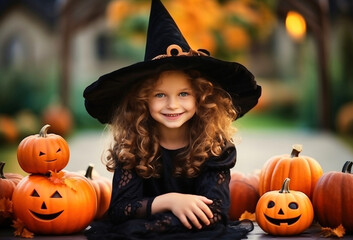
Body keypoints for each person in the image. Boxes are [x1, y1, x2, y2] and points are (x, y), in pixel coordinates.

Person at [83, 0, 261, 239]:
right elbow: (121, 209)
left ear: (202, 98)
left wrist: (153, 220)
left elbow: (215, 213)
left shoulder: (215, 148)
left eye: (184, 94)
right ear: (142, 101)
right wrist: (170, 201)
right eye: (160, 95)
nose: (173, 105)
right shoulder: (132, 146)